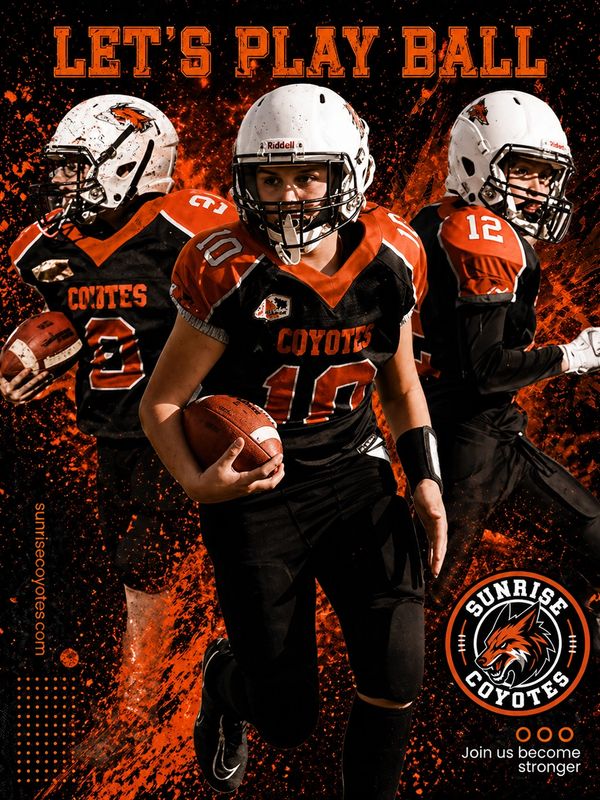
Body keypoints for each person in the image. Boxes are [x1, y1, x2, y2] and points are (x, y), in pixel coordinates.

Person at [139, 83, 447, 799]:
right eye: (269, 179)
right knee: (286, 719)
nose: (288, 196)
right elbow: (161, 402)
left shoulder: (393, 254)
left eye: (308, 175)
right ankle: (225, 679)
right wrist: (198, 483)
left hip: (353, 473)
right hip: (256, 494)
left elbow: (400, 388)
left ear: (350, 172)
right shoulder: (227, 264)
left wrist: (425, 478)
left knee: (398, 672)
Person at [1, 94, 237, 748]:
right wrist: (35, 372)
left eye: (77, 168)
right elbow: (70, 330)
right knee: (141, 571)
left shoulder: (193, 227)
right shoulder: (48, 248)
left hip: (206, 420)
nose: (61, 183)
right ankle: (147, 699)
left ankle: (167, 697)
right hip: (120, 437)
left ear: (125, 165)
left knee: (216, 561)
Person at [409, 90, 599, 628]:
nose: (538, 189)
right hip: (464, 442)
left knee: (589, 537)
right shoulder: (481, 234)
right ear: (474, 159)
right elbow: (485, 370)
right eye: (524, 170)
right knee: (420, 610)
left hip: (488, 438)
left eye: (546, 175)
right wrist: (573, 355)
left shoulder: (435, 219)